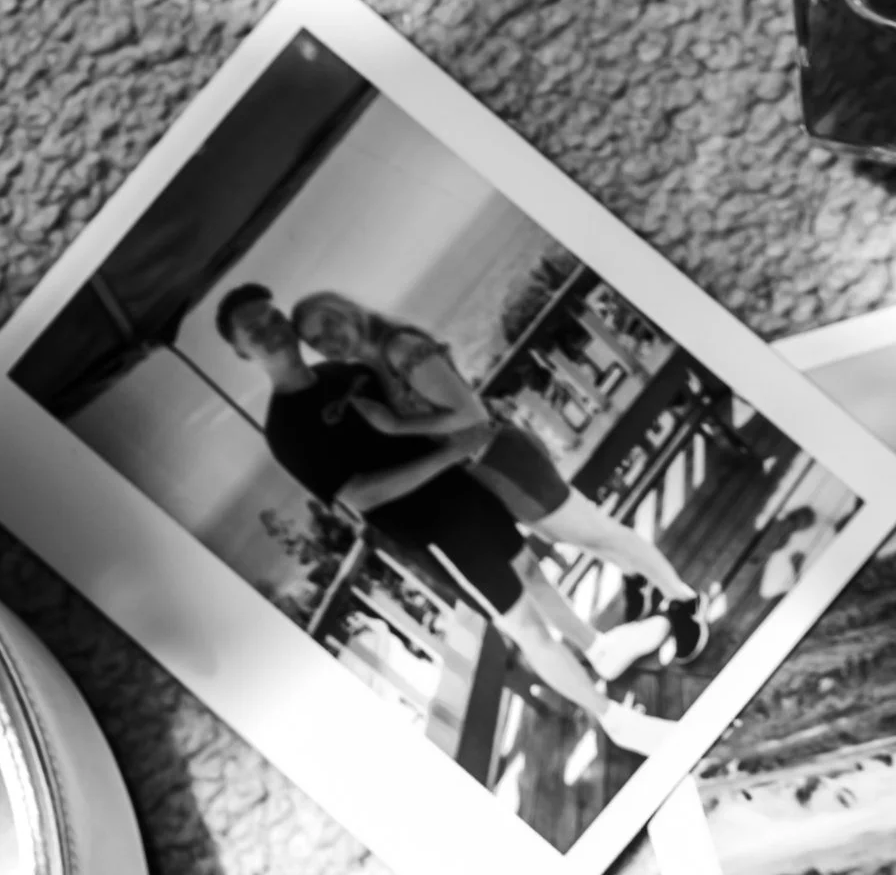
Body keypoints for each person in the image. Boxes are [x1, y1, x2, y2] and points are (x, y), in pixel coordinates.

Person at [214, 283, 663, 761]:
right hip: (430, 532)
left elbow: (413, 412)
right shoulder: (285, 429)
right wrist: (451, 450)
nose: (270, 330)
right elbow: (360, 495)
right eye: (254, 330)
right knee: (524, 625)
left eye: (271, 317)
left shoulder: (340, 373)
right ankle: (615, 721)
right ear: (242, 352)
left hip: (464, 494)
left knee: (531, 573)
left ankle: (599, 649)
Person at [286, 289, 708, 646]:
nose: (328, 341)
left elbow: (469, 414)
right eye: (316, 341)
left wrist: (397, 425)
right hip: (481, 470)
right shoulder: (372, 364)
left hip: (501, 458)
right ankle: (636, 574)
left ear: (346, 311)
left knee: (592, 529)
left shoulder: (401, 349)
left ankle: (683, 599)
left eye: (330, 324)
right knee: (565, 532)